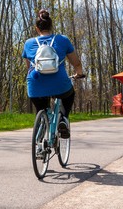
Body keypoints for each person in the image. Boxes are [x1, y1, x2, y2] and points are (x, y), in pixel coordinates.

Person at [22, 9, 84, 138]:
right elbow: (76, 63)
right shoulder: (62, 40)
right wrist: (79, 73)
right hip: (59, 83)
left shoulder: (28, 43)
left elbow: (29, 67)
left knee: (41, 108)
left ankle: (39, 138)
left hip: (36, 84)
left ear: (36, 28)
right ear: (51, 25)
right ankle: (63, 120)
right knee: (69, 95)